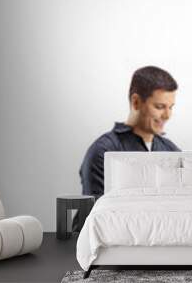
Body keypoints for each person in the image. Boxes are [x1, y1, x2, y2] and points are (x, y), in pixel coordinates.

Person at [72, 66, 181, 232]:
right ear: (136, 102)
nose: (167, 116)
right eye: (160, 107)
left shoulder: (172, 151)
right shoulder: (104, 151)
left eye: (171, 107)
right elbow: (97, 217)